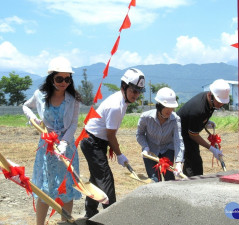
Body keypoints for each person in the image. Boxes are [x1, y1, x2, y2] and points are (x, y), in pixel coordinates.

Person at [22, 56, 82, 224]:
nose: (64, 82)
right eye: (59, 78)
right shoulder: (39, 95)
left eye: (67, 79)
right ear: (51, 78)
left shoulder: (74, 99)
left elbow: (73, 124)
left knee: (66, 188)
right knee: (46, 189)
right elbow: (25, 106)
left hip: (67, 149)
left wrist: (64, 143)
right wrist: (34, 120)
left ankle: (64, 222)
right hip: (46, 149)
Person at [80, 68, 146, 218]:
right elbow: (110, 135)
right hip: (92, 142)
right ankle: (113, 217)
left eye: (139, 91)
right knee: (105, 179)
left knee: (96, 178)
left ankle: (90, 214)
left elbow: (109, 135)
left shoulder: (122, 101)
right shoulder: (116, 105)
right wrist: (120, 155)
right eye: (133, 90)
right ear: (124, 86)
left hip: (97, 141)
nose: (136, 95)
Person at [177, 79, 230, 177]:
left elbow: (198, 119)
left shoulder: (211, 102)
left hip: (190, 129)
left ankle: (189, 181)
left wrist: (205, 122)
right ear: (210, 95)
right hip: (181, 133)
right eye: (219, 102)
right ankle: (191, 185)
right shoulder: (198, 109)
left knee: (194, 162)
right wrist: (212, 149)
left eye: (222, 102)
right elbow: (193, 135)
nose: (220, 104)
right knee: (193, 163)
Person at [136, 87, 185, 182]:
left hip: (167, 149)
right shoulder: (145, 117)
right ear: (159, 105)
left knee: (169, 179)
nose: (170, 111)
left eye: (172, 108)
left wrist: (179, 163)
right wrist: (145, 147)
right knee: (154, 180)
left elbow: (178, 140)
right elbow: (139, 134)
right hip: (150, 151)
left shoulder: (175, 119)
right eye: (167, 107)